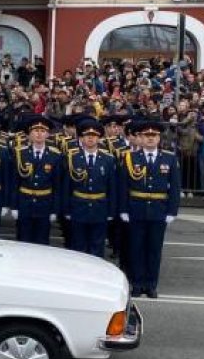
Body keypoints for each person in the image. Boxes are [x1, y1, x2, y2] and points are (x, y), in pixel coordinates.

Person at [118, 118, 180, 298]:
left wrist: (171, 211)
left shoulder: (169, 158)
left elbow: (175, 187)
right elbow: (124, 186)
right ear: (140, 138)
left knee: (154, 250)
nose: (151, 138)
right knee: (136, 248)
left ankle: (151, 284)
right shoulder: (130, 158)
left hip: (159, 211)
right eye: (147, 135)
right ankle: (137, 284)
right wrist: (123, 209)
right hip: (135, 209)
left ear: (159, 138)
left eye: (154, 135)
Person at [64, 117, 117, 258]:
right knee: (78, 246)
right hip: (78, 206)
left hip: (100, 207)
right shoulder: (72, 158)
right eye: (87, 135)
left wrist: (111, 211)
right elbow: (67, 186)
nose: (90, 139)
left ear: (99, 138)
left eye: (94, 136)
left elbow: (112, 187)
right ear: (81, 138)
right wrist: (67, 209)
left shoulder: (108, 159)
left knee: (97, 246)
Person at [12, 115, 63, 245]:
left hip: (44, 204)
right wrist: (14, 206)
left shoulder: (55, 155)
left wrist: (54, 210)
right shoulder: (19, 153)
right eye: (35, 131)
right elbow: (14, 182)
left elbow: (57, 185)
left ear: (47, 134)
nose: (39, 134)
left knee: (42, 241)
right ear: (29, 134)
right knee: (23, 240)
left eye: (42, 131)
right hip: (24, 203)